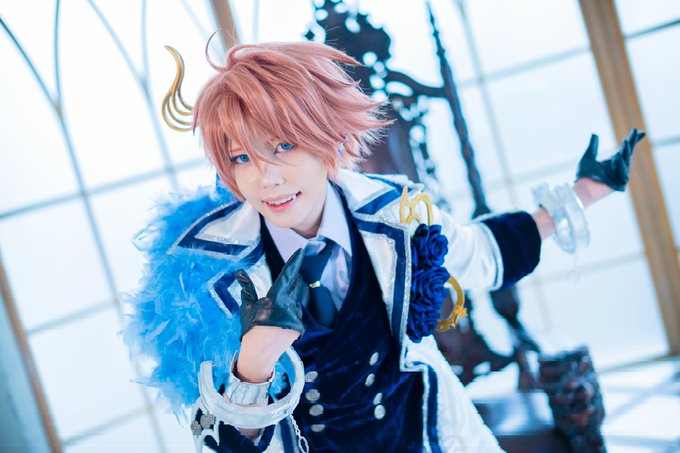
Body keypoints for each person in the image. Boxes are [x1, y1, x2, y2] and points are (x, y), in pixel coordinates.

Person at [124, 41, 644, 452]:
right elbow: (219, 441)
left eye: (283, 146)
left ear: (327, 136)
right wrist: (252, 366)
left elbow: (483, 255)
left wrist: (585, 192)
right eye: (242, 158)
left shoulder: (396, 210)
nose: (267, 179)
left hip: (429, 438)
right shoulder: (201, 272)